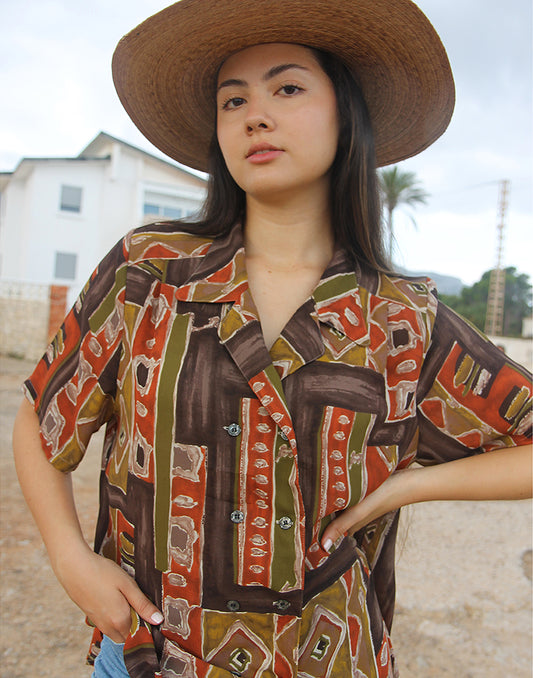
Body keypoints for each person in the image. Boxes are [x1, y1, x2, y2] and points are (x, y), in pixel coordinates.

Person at [12, 0, 532, 676]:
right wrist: (69, 556)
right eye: (232, 101)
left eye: (287, 88)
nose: (254, 115)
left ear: (347, 116)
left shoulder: (402, 318)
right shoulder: (151, 274)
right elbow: (41, 416)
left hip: (327, 656)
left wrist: (398, 488)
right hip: (151, 657)